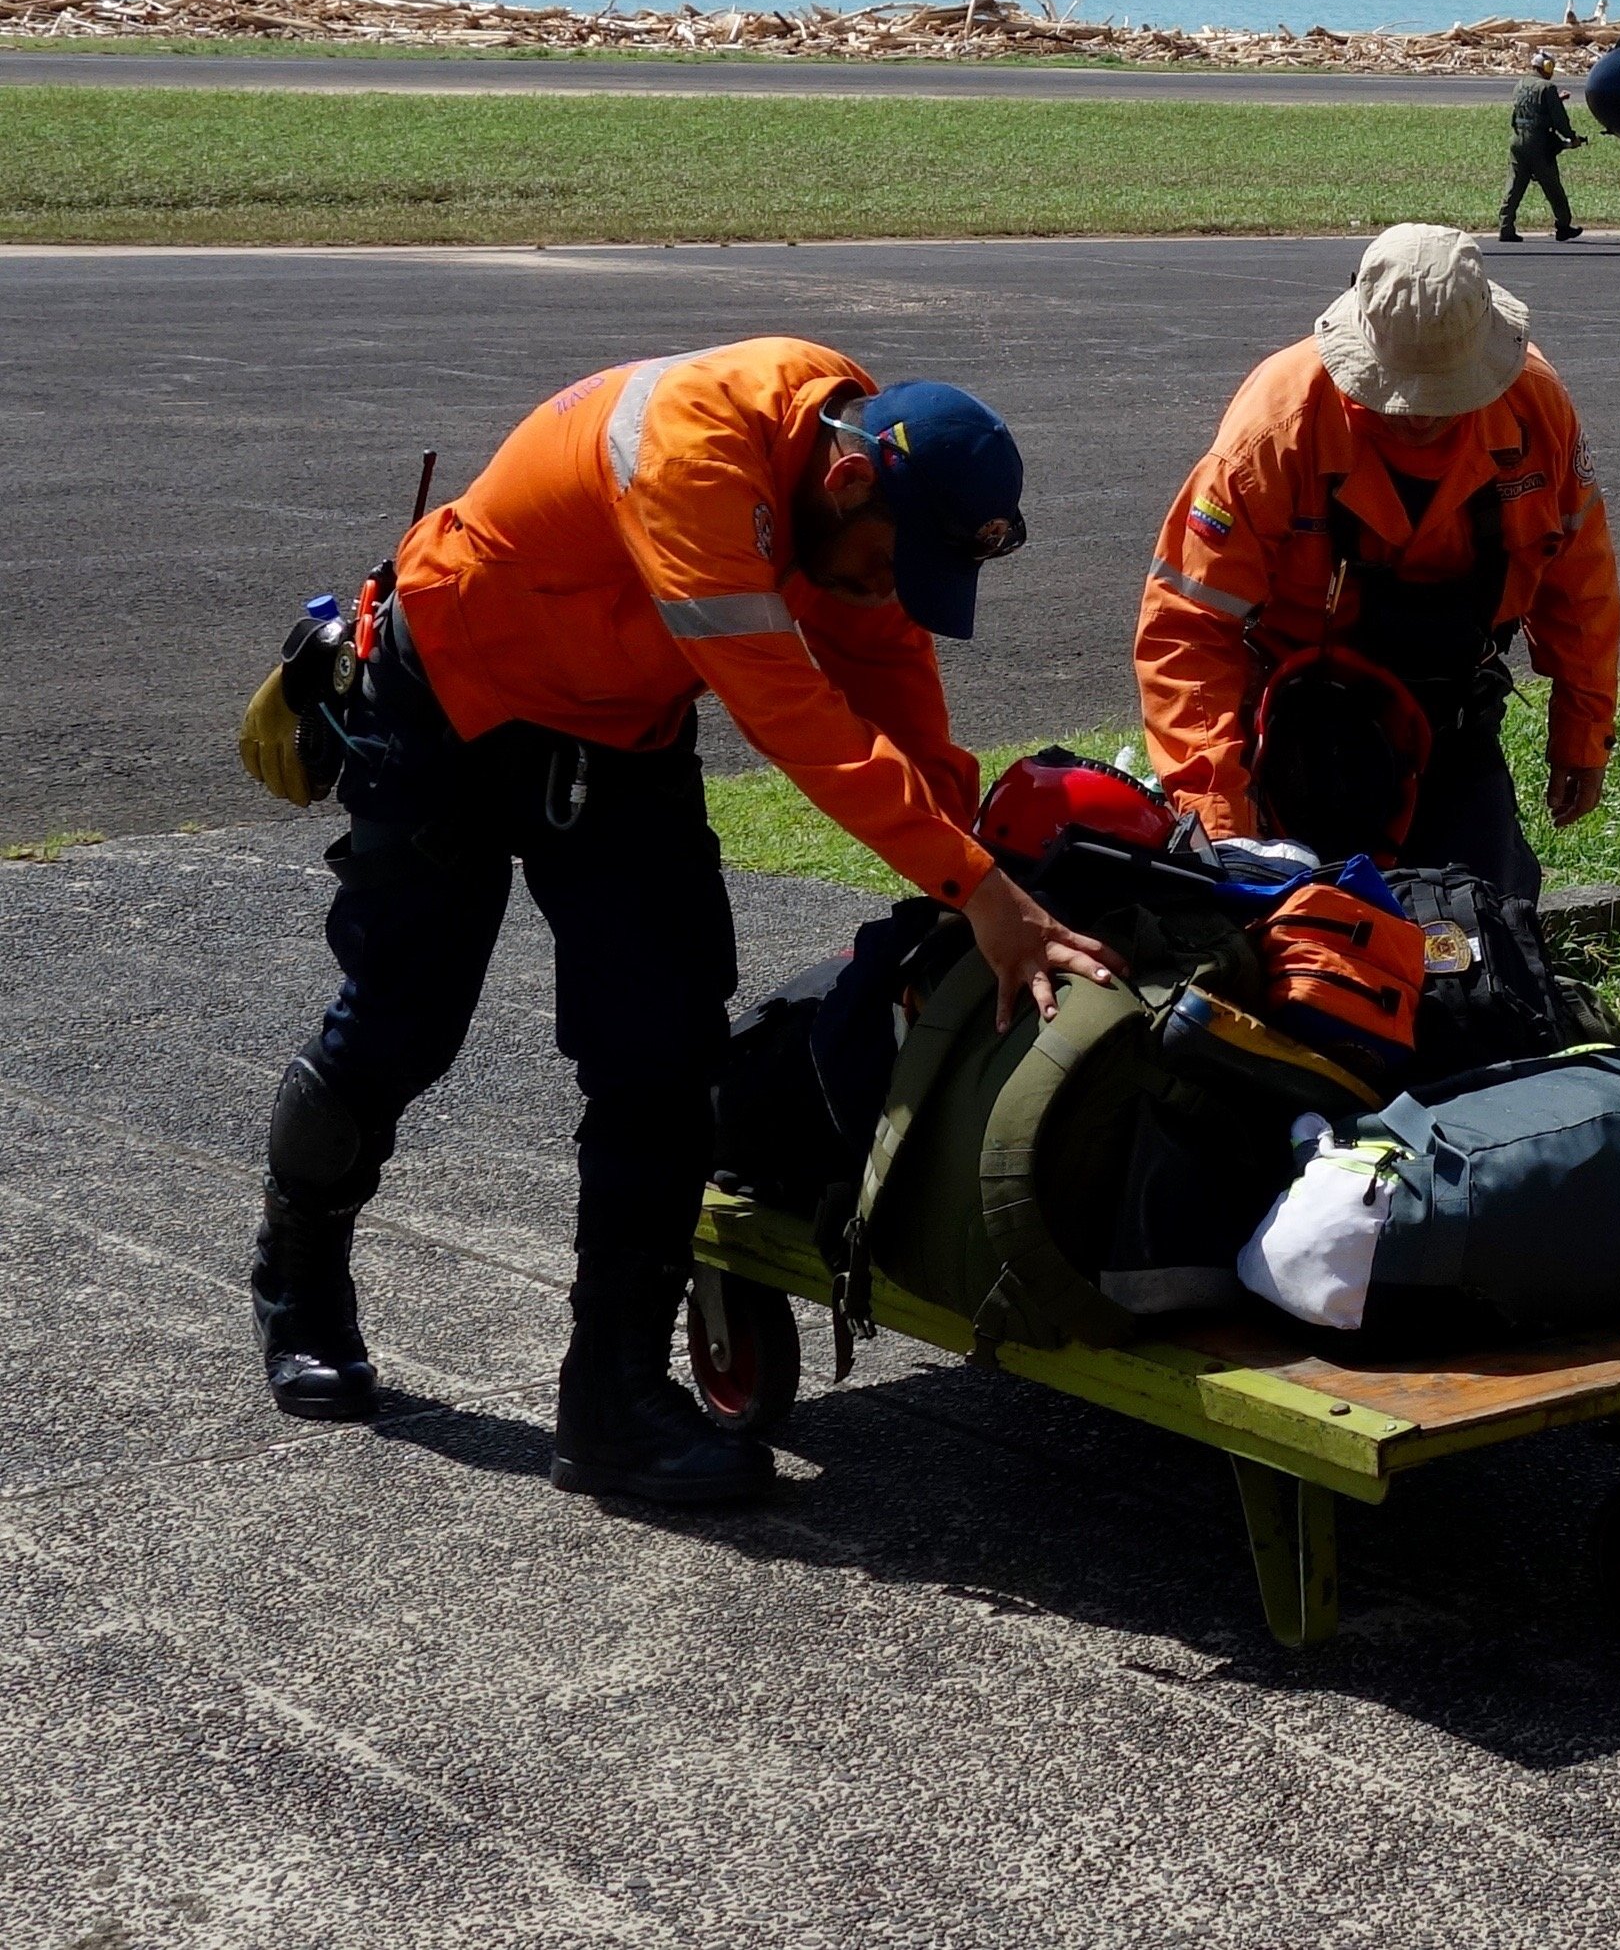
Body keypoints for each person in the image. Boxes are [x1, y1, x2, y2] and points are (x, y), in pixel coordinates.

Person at [251, 343, 1118, 1506]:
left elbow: (889, 673)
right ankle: (299, 1289)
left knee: (660, 1059)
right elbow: (799, 721)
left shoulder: (856, 483)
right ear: (850, 488)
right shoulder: (697, 461)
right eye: (877, 565)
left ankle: (613, 1403)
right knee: (400, 1026)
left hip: (621, 727)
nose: (875, 588)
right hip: (453, 699)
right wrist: (981, 894)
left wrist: (975, 865)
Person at [1134, 223, 1618, 909]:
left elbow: (1580, 582)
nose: (1418, 416)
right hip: (1305, 726)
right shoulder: (1276, 429)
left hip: (1452, 713)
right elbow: (1187, 630)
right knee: (1310, 937)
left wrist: (1582, 730)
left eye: (1441, 393)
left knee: (1481, 925)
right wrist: (1223, 826)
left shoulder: (1535, 410)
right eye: (1398, 392)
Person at [1501, 55, 1584, 243]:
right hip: (1537, 143)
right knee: (1552, 187)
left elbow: (1529, 108)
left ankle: (1505, 227)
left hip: (1517, 140)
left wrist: (1556, 99)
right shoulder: (1547, 87)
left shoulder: (1520, 84)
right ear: (1546, 67)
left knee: (1515, 186)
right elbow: (1559, 119)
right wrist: (1571, 137)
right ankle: (1563, 225)